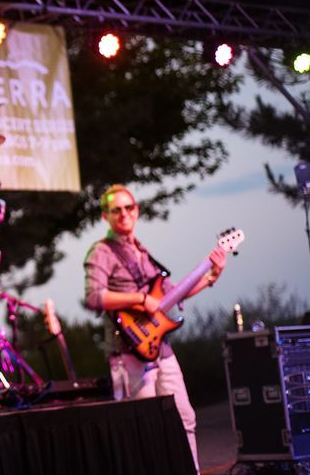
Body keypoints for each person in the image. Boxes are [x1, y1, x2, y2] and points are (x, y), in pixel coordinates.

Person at [83, 184, 226, 473]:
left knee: (185, 417)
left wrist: (212, 275)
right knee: (143, 429)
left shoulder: (143, 253)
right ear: (105, 216)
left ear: (136, 211)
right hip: (128, 351)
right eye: (116, 210)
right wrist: (139, 299)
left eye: (128, 208)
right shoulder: (101, 251)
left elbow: (173, 293)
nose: (124, 214)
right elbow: (94, 296)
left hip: (160, 347)